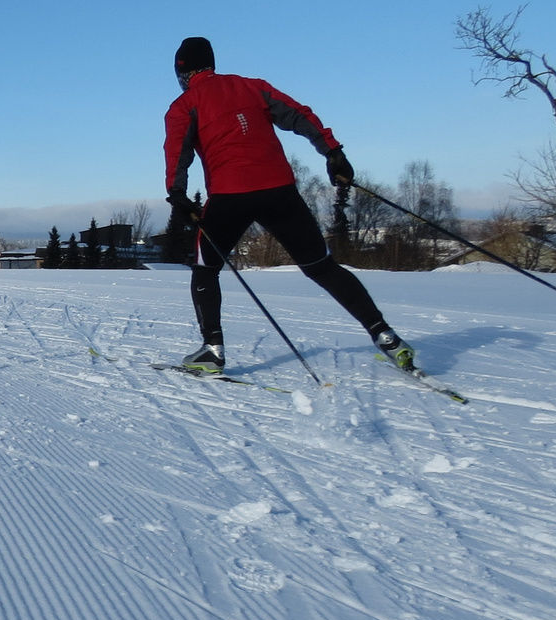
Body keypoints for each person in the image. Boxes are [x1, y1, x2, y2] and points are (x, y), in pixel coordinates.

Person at [163, 36, 414, 374]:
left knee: (205, 268)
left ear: (182, 71)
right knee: (322, 267)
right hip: (280, 191)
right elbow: (299, 115)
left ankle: (212, 350)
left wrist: (177, 194)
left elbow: (178, 153)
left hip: (229, 195)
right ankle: (385, 335)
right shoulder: (252, 87)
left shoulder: (184, 105)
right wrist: (333, 152)